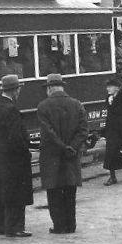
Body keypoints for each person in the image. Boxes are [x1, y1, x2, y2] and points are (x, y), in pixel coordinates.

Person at [37, 73, 88, 234]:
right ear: (62, 87)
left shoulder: (43, 106)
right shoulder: (77, 104)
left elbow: (48, 132)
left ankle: (59, 226)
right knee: (70, 192)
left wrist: (62, 147)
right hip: (71, 156)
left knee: (54, 192)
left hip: (52, 156)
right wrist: (72, 147)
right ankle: (71, 225)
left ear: (50, 88)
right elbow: (83, 130)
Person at [0, 75, 33, 237]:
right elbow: (16, 136)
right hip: (14, 159)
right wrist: (26, 151)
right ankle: (15, 228)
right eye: (18, 89)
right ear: (15, 90)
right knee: (16, 193)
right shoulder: (11, 109)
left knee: (2, 192)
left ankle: (1, 226)